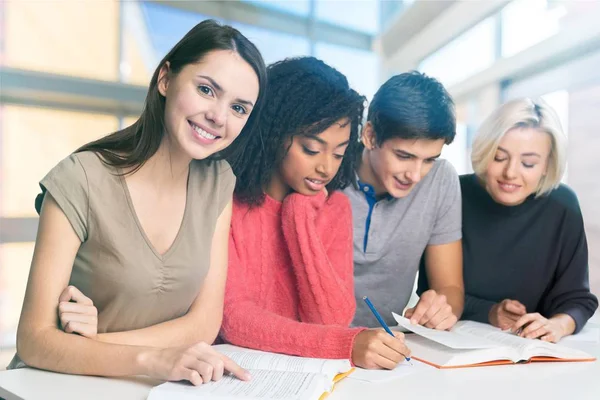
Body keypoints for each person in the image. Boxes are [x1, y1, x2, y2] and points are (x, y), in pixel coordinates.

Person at [11, 20, 267, 385]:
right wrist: (153, 359)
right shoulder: (81, 177)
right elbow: (34, 341)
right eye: (207, 89)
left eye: (239, 108)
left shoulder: (218, 184)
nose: (219, 117)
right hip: (50, 387)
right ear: (165, 79)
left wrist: (90, 346)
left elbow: (204, 323)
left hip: (135, 387)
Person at [220, 57, 411, 370]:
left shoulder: (335, 209)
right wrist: (344, 344)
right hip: (234, 376)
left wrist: (299, 217)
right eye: (311, 149)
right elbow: (233, 318)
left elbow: (331, 319)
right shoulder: (228, 201)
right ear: (274, 133)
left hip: (307, 377)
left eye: (339, 153)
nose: (326, 167)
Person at [460, 98, 598, 342]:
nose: (510, 173)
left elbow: (578, 298)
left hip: (532, 353)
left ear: (547, 165)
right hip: (459, 344)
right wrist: (490, 312)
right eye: (499, 157)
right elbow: (433, 290)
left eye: (528, 163)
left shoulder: (562, 205)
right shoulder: (456, 194)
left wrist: (557, 325)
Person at [347, 72, 464, 331]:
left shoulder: (441, 179)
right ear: (370, 136)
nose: (415, 175)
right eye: (404, 156)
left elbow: (450, 288)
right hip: (315, 344)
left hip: (390, 344)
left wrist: (442, 308)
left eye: (429, 159)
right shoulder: (324, 170)